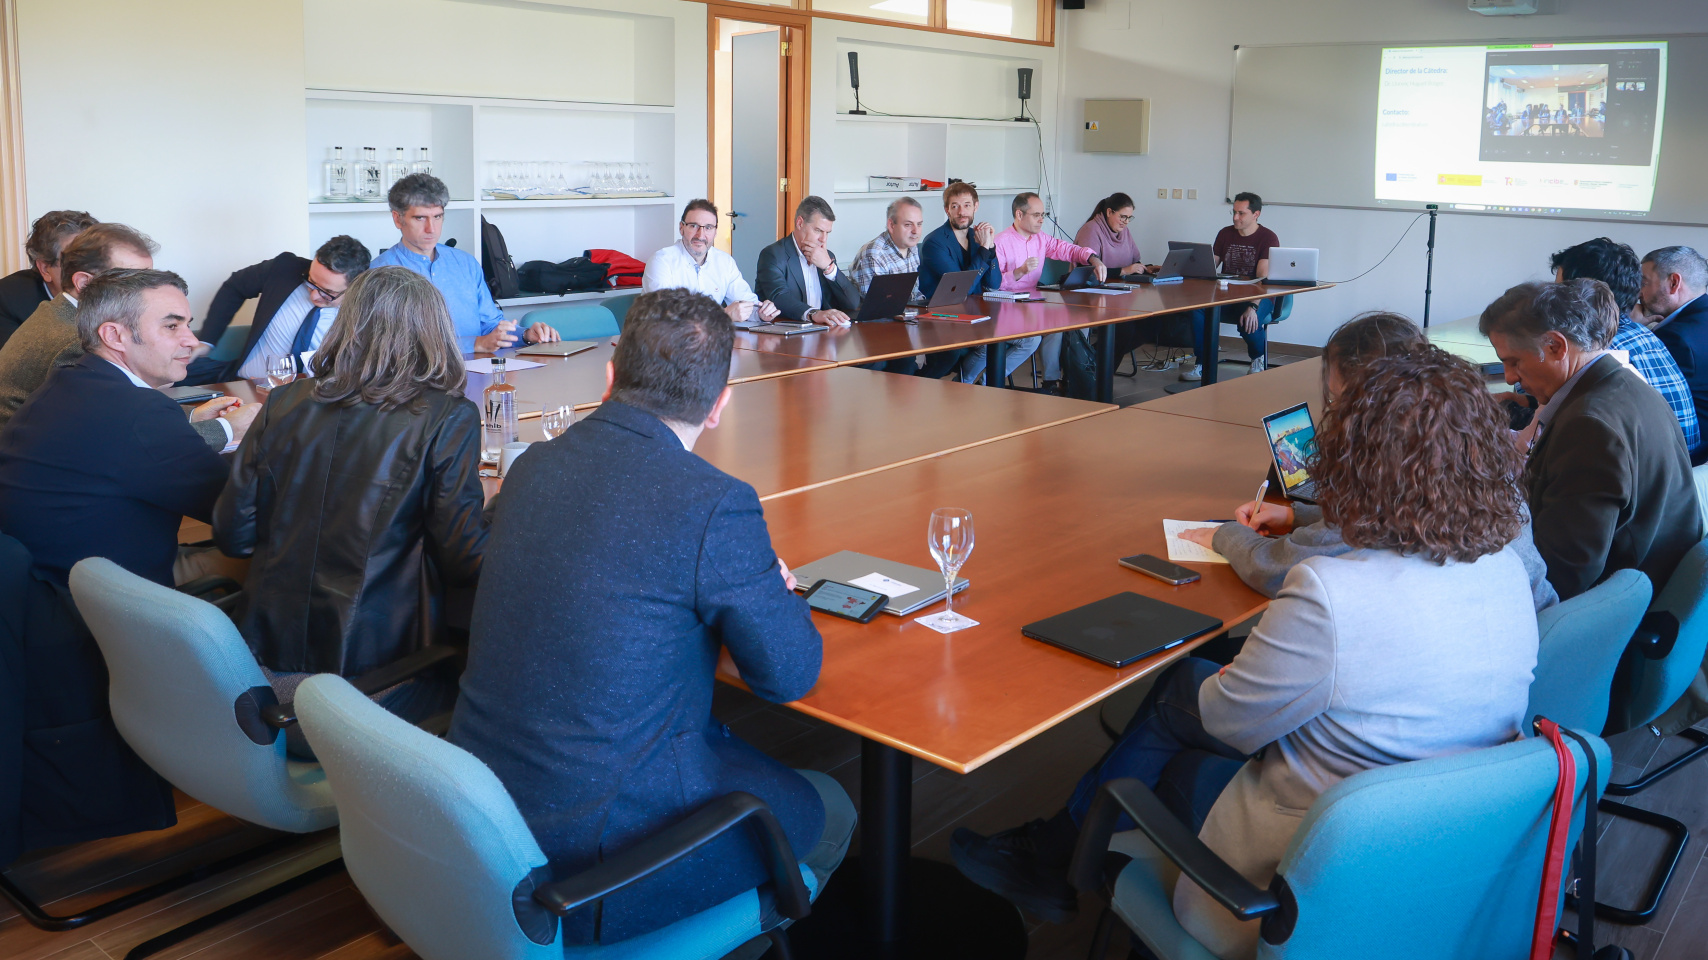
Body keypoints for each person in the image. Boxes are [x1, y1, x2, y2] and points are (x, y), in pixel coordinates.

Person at [953, 347, 1540, 958]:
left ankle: (1058, 856)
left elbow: (1228, 724)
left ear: (1356, 463)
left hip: (1294, 888)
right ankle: (1056, 850)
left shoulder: (1332, 593)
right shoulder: (1503, 570)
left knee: (1179, 710)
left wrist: (1242, 674)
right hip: (1443, 872)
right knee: (1187, 706)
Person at [450, 288, 852, 946]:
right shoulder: (715, 504)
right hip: (587, 864)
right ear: (721, 404)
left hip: (480, 813)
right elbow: (788, 675)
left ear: (610, 377)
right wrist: (768, 589)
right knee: (825, 809)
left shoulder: (532, 468)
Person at [214, 267, 484, 756]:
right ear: (435, 330)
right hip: (369, 689)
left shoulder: (285, 401)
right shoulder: (447, 417)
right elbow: (464, 562)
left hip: (257, 680)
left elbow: (233, 535)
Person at [1178, 312, 1557, 612]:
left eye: (1339, 401)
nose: (1337, 416)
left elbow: (1274, 568)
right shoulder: (1485, 471)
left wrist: (1223, 534)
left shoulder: (1382, 488)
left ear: (1375, 406)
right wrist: (1297, 517)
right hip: (1520, 651)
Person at [0, 269, 256, 588]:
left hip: (46, 583)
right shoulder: (140, 413)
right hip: (98, 604)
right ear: (114, 336)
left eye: (187, 325)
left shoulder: (67, 383)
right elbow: (241, 517)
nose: (191, 340)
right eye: (172, 326)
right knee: (285, 561)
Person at [1480, 279, 1701, 600]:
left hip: (1612, 614)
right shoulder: (1625, 384)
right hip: (1646, 588)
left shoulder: (1588, 425)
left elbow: (1562, 574)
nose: (1511, 376)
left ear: (1555, 346)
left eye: (1514, 361)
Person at [0, 223, 237, 447]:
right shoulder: (78, 340)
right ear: (84, 283)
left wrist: (193, 414)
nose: (147, 289)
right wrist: (227, 429)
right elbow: (121, 436)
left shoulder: (59, 313)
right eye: (132, 279)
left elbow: (116, 410)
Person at [370, 173, 557, 353]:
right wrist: (475, 344)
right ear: (397, 219)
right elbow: (390, 347)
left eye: (437, 217)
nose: (431, 229)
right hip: (414, 381)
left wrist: (526, 336)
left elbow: (491, 326)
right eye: (420, 218)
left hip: (478, 373)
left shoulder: (465, 263)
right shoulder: (380, 273)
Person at [1548, 238, 1699, 459]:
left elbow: (1551, 417)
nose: (1552, 299)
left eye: (1559, 291)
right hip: (1682, 475)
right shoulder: (1647, 335)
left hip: (1645, 482)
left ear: (1582, 294)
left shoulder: (1595, 347)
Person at [191, 235, 372, 385]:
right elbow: (234, 286)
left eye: (328, 293)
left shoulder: (368, 312)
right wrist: (207, 340)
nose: (314, 296)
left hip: (313, 401)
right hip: (243, 384)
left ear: (355, 287)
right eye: (311, 282)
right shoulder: (285, 269)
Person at [994, 192, 1105, 389]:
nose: (1041, 220)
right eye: (1036, 215)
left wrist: (1092, 259)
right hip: (1006, 304)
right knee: (1041, 332)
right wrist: (1019, 272)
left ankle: (1052, 382)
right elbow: (993, 285)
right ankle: (991, 379)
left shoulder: (1040, 239)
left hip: (1032, 302)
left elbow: (1069, 250)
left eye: (1043, 215)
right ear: (1019, 215)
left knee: (1060, 323)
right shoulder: (1001, 241)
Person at [849, 196, 965, 378]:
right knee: (905, 363)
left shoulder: (911, 248)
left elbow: (912, 293)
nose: (915, 231)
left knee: (950, 352)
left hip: (904, 321)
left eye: (919, 224)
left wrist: (931, 308)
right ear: (891, 225)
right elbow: (877, 307)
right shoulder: (874, 253)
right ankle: (907, 393)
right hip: (875, 328)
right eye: (908, 225)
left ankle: (917, 387)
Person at [1181, 192, 1282, 382]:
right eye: (1234, 212)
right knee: (1197, 311)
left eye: (1241, 213)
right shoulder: (1225, 233)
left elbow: (1262, 277)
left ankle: (1258, 358)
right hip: (1226, 295)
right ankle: (1203, 363)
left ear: (1256, 214)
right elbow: (1211, 267)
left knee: (1248, 322)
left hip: (1259, 296)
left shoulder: (1268, 238)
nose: (1236, 218)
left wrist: (1253, 306)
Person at [919, 182, 1012, 385]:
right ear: (947, 210)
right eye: (955, 206)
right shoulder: (935, 242)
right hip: (944, 317)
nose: (962, 212)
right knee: (986, 344)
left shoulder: (975, 237)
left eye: (967, 205)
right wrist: (984, 251)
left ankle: (965, 383)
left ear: (976, 206)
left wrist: (991, 247)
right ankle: (961, 384)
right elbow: (960, 288)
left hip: (975, 313)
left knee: (1023, 338)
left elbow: (994, 283)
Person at [641, 198, 779, 324]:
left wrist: (762, 313)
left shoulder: (725, 262)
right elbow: (667, 316)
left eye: (708, 228)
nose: (700, 235)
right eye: (693, 226)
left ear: (715, 232)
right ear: (681, 228)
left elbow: (747, 304)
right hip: (663, 343)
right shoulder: (661, 261)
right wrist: (722, 315)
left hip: (708, 342)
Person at [1075, 193, 1176, 364]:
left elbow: (1133, 260)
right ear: (1109, 212)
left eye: (1129, 218)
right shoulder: (1091, 229)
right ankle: (1093, 367)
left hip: (1121, 292)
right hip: (1093, 293)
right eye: (1122, 216)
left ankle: (1093, 360)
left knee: (1155, 322)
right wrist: (1123, 271)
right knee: (1125, 329)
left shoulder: (1124, 232)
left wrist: (1144, 267)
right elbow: (1088, 270)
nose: (1126, 222)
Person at [1643, 245, 1708, 463]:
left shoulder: (1677, 337)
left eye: (1644, 282)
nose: (1638, 292)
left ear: (1673, 283)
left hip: (1687, 457)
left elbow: (1650, 406)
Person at [755, 195, 860, 327]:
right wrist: (813, 314)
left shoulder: (827, 257)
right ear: (800, 223)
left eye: (827, 233)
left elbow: (853, 303)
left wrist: (829, 268)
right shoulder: (773, 255)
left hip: (823, 335)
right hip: (785, 335)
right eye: (818, 230)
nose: (823, 239)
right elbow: (780, 297)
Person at [0, 210, 96, 346]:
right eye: (76, 260)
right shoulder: (8, 300)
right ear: (45, 269)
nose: (93, 269)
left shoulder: (120, 289)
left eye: (97, 257)